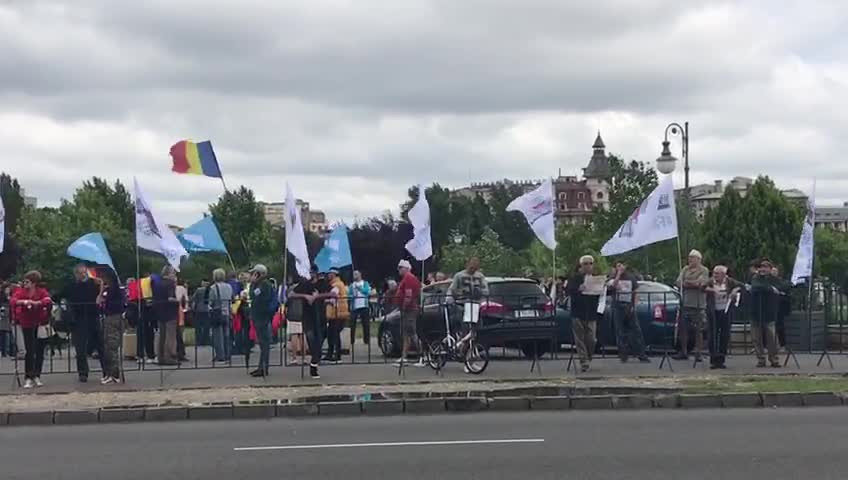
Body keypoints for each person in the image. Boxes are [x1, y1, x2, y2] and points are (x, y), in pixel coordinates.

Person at [59, 264, 104, 383]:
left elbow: (104, 292)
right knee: (80, 349)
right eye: (80, 273)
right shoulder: (71, 286)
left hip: (93, 317)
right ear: (76, 274)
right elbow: (57, 296)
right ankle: (83, 373)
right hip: (78, 320)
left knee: (100, 345)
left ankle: (107, 371)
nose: (83, 275)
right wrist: (64, 305)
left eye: (85, 272)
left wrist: (101, 287)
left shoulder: (94, 284)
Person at [288, 265, 333, 379]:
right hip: (308, 316)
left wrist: (318, 296)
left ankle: (314, 363)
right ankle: (314, 361)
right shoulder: (305, 284)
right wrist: (306, 296)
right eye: (310, 272)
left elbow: (333, 294)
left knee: (320, 339)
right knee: (311, 338)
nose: (311, 275)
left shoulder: (322, 284)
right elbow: (291, 294)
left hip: (321, 316)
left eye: (313, 272)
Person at [11, 271, 52, 388]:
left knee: (39, 351)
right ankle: (28, 377)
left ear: (34, 283)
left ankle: (37, 376)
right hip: (27, 323)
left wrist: (38, 302)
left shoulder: (41, 291)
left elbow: (48, 299)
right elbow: (13, 300)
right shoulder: (21, 291)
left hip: (40, 323)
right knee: (30, 350)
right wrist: (24, 301)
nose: (24, 283)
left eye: (27, 281)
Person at [565, 256, 602, 372]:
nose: (588, 266)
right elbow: (568, 290)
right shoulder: (574, 278)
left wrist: (604, 288)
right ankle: (584, 362)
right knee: (579, 339)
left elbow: (601, 293)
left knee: (591, 339)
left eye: (590, 263)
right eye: (585, 264)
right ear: (581, 266)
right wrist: (578, 289)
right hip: (578, 312)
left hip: (591, 312)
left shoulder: (596, 278)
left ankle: (588, 356)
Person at [608, 260, 650, 363]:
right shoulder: (613, 277)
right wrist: (618, 274)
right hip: (618, 306)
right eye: (617, 266)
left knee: (636, 330)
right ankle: (623, 354)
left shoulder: (631, 277)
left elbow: (635, 292)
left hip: (628, 305)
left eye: (621, 265)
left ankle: (641, 354)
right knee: (620, 331)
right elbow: (612, 286)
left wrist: (634, 306)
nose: (620, 267)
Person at [705, 266, 743, 369]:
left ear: (723, 274)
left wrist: (734, 291)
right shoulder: (710, 281)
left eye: (717, 273)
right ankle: (713, 359)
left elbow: (740, 286)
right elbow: (702, 286)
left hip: (725, 311)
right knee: (713, 334)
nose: (715, 275)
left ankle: (721, 359)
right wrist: (713, 290)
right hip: (713, 312)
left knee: (724, 335)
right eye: (714, 273)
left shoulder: (729, 281)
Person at [675, 250, 710, 361]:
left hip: (698, 304)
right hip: (685, 302)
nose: (690, 260)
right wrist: (692, 282)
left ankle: (698, 352)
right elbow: (678, 282)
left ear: (699, 259)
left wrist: (688, 282)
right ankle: (683, 351)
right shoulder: (685, 269)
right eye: (689, 257)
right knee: (683, 329)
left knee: (698, 329)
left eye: (693, 258)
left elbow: (701, 283)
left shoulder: (704, 270)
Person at [750, 259, 781, 368]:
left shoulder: (774, 279)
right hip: (756, 312)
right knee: (756, 338)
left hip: (769, 312)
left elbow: (784, 286)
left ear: (770, 269)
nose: (762, 269)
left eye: (765, 267)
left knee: (772, 338)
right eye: (761, 267)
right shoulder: (755, 278)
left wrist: (771, 287)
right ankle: (761, 359)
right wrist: (771, 288)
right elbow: (756, 287)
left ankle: (774, 359)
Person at [247, 264, 275, 377]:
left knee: (264, 343)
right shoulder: (257, 284)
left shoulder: (264, 284)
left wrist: (253, 284)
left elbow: (256, 297)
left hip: (262, 317)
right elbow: (252, 295)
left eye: (254, 273)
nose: (252, 275)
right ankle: (261, 366)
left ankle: (263, 367)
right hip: (258, 316)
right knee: (262, 343)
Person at [395, 259, 422, 367]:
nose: (399, 270)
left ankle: (422, 356)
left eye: (400, 267)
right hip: (407, 309)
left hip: (409, 310)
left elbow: (408, 295)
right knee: (406, 334)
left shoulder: (409, 278)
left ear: (406, 268)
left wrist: (404, 306)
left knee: (411, 333)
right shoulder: (407, 278)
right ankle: (404, 356)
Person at [99, 272, 124, 384]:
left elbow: (111, 305)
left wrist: (103, 302)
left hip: (113, 317)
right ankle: (111, 373)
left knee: (111, 346)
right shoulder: (113, 290)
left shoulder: (113, 291)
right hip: (112, 317)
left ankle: (114, 374)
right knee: (108, 345)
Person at [154, 266, 179, 365]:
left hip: (159, 310)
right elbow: (170, 298)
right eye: (173, 273)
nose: (174, 275)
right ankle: (169, 357)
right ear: (168, 273)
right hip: (169, 311)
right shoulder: (170, 284)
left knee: (161, 335)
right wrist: (179, 301)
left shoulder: (157, 283)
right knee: (170, 335)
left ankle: (160, 357)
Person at [207, 269, 233, 362]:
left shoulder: (213, 288)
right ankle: (227, 354)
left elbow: (211, 301)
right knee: (227, 335)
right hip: (227, 312)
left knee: (218, 336)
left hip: (217, 313)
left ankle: (220, 355)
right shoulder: (229, 286)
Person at [323, 269, 348, 363]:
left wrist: (325, 300)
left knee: (334, 334)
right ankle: (330, 354)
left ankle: (337, 356)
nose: (328, 275)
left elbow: (333, 296)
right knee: (331, 334)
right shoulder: (337, 284)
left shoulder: (337, 284)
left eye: (330, 274)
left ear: (334, 275)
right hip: (335, 313)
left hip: (338, 312)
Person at [348, 270, 372, 346]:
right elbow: (349, 295)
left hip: (364, 306)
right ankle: (352, 340)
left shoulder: (365, 283)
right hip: (354, 307)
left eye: (356, 274)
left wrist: (360, 289)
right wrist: (352, 296)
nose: (355, 275)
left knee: (365, 324)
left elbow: (367, 292)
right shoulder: (352, 285)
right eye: (354, 274)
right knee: (352, 324)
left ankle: (366, 340)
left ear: (360, 275)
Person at [771, 265, 791, 349]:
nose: (774, 273)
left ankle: (782, 344)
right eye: (772, 271)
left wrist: (777, 290)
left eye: (775, 271)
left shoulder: (781, 281)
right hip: (770, 307)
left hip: (779, 307)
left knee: (780, 326)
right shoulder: (767, 281)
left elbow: (785, 287)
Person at [191, 279, 211, 347]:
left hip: (199, 309)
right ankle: (206, 341)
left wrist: (193, 308)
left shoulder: (199, 290)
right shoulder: (210, 290)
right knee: (206, 327)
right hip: (207, 310)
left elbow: (194, 299)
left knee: (198, 327)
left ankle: (199, 341)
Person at [176, 279, 189, 361]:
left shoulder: (174, 288)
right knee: (180, 332)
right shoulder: (182, 289)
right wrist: (186, 309)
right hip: (179, 310)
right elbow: (186, 300)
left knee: (174, 333)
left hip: (173, 311)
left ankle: (177, 352)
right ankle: (181, 352)